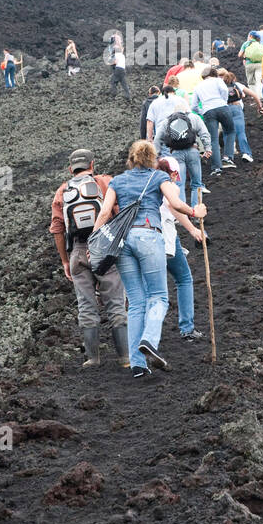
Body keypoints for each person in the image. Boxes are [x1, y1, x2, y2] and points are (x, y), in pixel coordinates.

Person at [92, 140, 206, 378]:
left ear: (131, 159)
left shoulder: (118, 180)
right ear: (153, 159)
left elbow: (104, 212)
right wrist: (196, 212)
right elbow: (174, 203)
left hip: (123, 243)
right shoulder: (158, 178)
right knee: (159, 296)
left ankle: (138, 364)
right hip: (149, 235)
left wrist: (94, 242)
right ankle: (149, 340)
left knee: (135, 303)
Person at [49, 149, 129, 368]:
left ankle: (92, 358)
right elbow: (119, 210)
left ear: (70, 169)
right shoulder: (105, 182)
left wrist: (65, 260)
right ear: (92, 164)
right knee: (115, 302)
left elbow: (57, 228)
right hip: (104, 248)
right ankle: (124, 358)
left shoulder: (62, 191)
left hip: (77, 250)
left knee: (86, 305)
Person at [157, 156, 205, 341]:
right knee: (184, 279)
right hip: (166, 240)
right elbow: (172, 206)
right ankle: (187, 328)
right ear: (174, 173)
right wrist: (193, 228)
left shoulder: (145, 183)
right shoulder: (170, 186)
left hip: (142, 240)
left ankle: (147, 333)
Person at [154, 103, 212, 204]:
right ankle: (197, 214)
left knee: (179, 184)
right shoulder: (194, 118)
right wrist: (207, 148)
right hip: (193, 151)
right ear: (186, 110)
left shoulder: (167, 121)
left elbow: (158, 139)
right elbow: (204, 133)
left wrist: (157, 156)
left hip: (176, 154)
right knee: (197, 184)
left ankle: (183, 216)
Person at [191, 68, 235, 176]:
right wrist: (223, 101)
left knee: (213, 139)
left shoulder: (198, 86)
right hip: (222, 107)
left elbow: (194, 106)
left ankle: (216, 167)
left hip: (208, 111)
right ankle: (227, 157)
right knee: (230, 131)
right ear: (213, 74)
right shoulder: (218, 80)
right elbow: (225, 91)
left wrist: (202, 111)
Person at [222, 68, 262, 162]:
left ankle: (228, 156)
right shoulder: (238, 85)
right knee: (241, 132)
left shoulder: (221, 86)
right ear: (234, 79)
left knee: (227, 133)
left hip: (225, 110)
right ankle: (246, 153)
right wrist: (259, 107)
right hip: (236, 108)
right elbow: (254, 95)